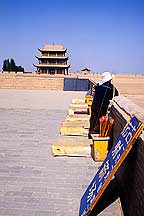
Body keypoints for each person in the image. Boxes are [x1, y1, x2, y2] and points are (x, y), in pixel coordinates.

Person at [88, 71, 119, 138]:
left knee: (93, 120)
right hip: (103, 108)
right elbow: (116, 94)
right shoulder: (111, 87)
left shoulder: (98, 86)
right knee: (100, 121)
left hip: (94, 105)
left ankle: (90, 133)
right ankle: (97, 134)